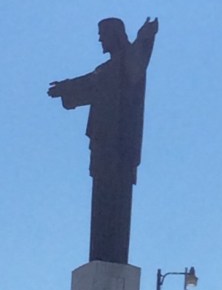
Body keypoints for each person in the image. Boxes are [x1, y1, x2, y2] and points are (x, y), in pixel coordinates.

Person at [48, 17, 158, 265]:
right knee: (101, 204)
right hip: (102, 147)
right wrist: (66, 88)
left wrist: (145, 38)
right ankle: (99, 258)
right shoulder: (111, 69)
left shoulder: (125, 67)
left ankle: (109, 259)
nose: (99, 39)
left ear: (114, 35)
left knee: (114, 205)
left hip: (118, 150)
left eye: (102, 33)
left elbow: (104, 78)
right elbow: (90, 83)